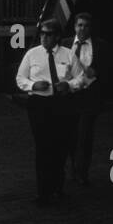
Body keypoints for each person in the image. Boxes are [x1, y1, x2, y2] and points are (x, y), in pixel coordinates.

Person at [16, 18, 86, 206]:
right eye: (42, 34)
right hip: (39, 105)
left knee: (61, 146)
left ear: (57, 36)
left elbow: (81, 78)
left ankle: (58, 188)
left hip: (62, 104)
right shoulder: (32, 54)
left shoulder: (69, 54)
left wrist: (69, 85)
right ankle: (43, 192)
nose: (44, 37)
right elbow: (20, 78)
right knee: (43, 147)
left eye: (48, 34)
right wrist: (33, 85)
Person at [62, 12, 113, 187]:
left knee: (85, 136)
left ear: (90, 28)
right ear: (75, 27)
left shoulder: (101, 46)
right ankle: (73, 168)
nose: (82, 28)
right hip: (70, 97)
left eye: (86, 25)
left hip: (90, 98)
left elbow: (110, 70)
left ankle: (82, 172)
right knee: (70, 135)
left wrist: (97, 72)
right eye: (80, 25)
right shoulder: (65, 45)